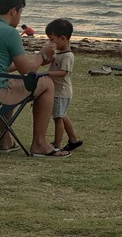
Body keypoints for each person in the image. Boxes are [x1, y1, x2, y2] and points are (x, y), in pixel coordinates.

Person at [0, 0, 69, 157]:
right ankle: (39, 143)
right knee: (46, 83)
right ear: (13, 11)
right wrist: (41, 54)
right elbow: (27, 72)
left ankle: (6, 141)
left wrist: (34, 60)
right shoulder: (10, 33)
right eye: (21, 11)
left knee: (10, 82)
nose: (20, 16)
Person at [46, 18, 83, 152]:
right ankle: (73, 139)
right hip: (57, 90)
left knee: (58, 118)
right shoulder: (59, 53)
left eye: (52, 39)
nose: (51, 42)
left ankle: (57, 144)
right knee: (61, 115)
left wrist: (47, 74)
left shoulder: (68, 56)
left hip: (61, 91)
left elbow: (64, 72)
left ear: (63, 38)